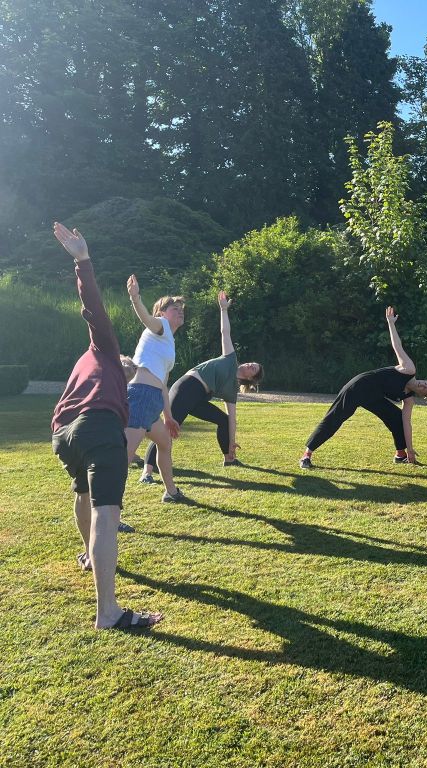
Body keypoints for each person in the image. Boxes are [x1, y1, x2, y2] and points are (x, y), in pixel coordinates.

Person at [49, 222, 163, 630]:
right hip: (96, 428)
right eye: (129, 362)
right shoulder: (105, 350)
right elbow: (94, 310)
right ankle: (108, 612)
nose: (131, 363)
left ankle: (87, 554)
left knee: (83, 493)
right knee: (107, 513)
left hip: (64, 434)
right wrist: (83, 261)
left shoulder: (92, 369)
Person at [139, 291, 263, 481]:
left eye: (252, 368)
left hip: (198, 397)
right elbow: (225, 332)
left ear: (251, 378)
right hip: (186, 388)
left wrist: (232, 441)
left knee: (223, 420)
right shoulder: (230, 359)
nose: (248, 365)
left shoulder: (231, 389)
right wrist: (223, 310)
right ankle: (147, 472)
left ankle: (229, 458)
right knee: (168, 430)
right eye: (250, 363)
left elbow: (232, 418)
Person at [299, 307, 427, 469]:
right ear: (425, 380)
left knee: (397, 417)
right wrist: (391, 323)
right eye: (426, 383)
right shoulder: (409, 369)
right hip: (359, 386)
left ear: (422, 394)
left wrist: (410, 449)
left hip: (373, 396)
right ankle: (306, 455)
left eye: (425, 389)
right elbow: (397, 346)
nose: (423, 385)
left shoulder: (408, 399)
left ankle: (400, 454)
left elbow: (407, 424)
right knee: (335, 418)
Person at [123, 275, 185, 514]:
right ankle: (109, 514)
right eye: (174, 309)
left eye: (181, 309)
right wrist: (135, 298)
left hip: (152, 401)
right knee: (124, 457)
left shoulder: (168, 344)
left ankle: (171, 492)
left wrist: (168, 416)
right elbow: (146, 318)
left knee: (165, 443)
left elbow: (163, 385)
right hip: (140, 395)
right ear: (162, 312)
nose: (180, 311)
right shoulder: (161, 325)